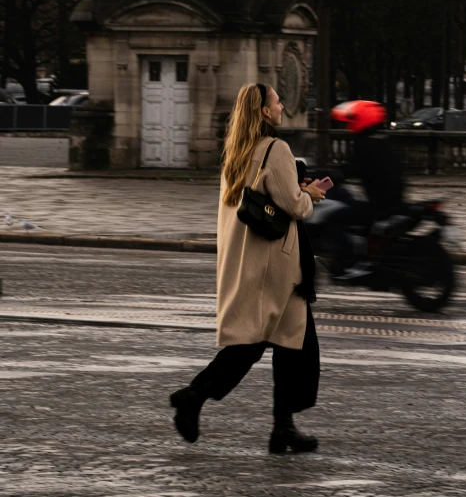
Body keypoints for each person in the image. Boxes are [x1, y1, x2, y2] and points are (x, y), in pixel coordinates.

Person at [170, 83, 326, 453]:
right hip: (277, 267)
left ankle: (282, 427)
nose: (282, 105)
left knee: (290, 343)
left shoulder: (237, 152)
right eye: (276, 101)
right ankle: (193, 397)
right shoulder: (277, 148)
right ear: (263, 112)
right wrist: (311, 194)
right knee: (258, 346)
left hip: (249, 261)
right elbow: (294, 205)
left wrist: (295, 189)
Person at [327, 100, 404, 277]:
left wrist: (322, 182)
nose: (350, 124)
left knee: (334, 219)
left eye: (353, 120)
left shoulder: (365, 144)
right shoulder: (385, 140)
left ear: (363, 119)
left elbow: (348, 171)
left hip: (379, 206)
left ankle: (349, 261)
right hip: (393, 201)